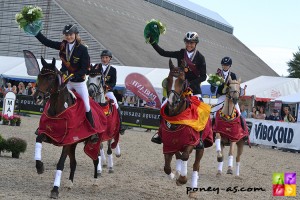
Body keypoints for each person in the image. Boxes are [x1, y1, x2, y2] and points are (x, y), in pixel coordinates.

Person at [35, 24, 98, 142]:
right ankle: (42, 127)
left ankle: (93, 131)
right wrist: (36, 34)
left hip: (78, 82)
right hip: (66, 81)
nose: (69, 37)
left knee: (86, 104)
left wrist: (74, 75)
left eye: (71, 35)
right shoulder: (62, 45)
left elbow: (84, 68)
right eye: (67, 35)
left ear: (75, 35)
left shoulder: (83, 49)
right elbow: (47, 42)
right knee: (53, 97)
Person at [149, 31, 207, 149]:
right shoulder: (181, 53)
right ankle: (160, 133)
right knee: (164, 106)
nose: (189, 45)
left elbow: (203, 76)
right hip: (178, 87)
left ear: (196, 44)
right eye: (187, 42)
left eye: (191, 43)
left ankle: (199, 139)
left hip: (194, 89)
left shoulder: (200, 57)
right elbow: (163, 52)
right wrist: (152, 42)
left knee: (201, 111)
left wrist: (190, 83)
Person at [92, 49, 125, 134]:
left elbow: (113, 82)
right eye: (103, 57)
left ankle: (121, 125)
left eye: (106, 57)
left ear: (110, 58)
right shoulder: (96, 66)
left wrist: (107, 87)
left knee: (116, 105)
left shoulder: (113, 69)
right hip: (96, 91)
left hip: (107, 91)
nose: (104, 59)